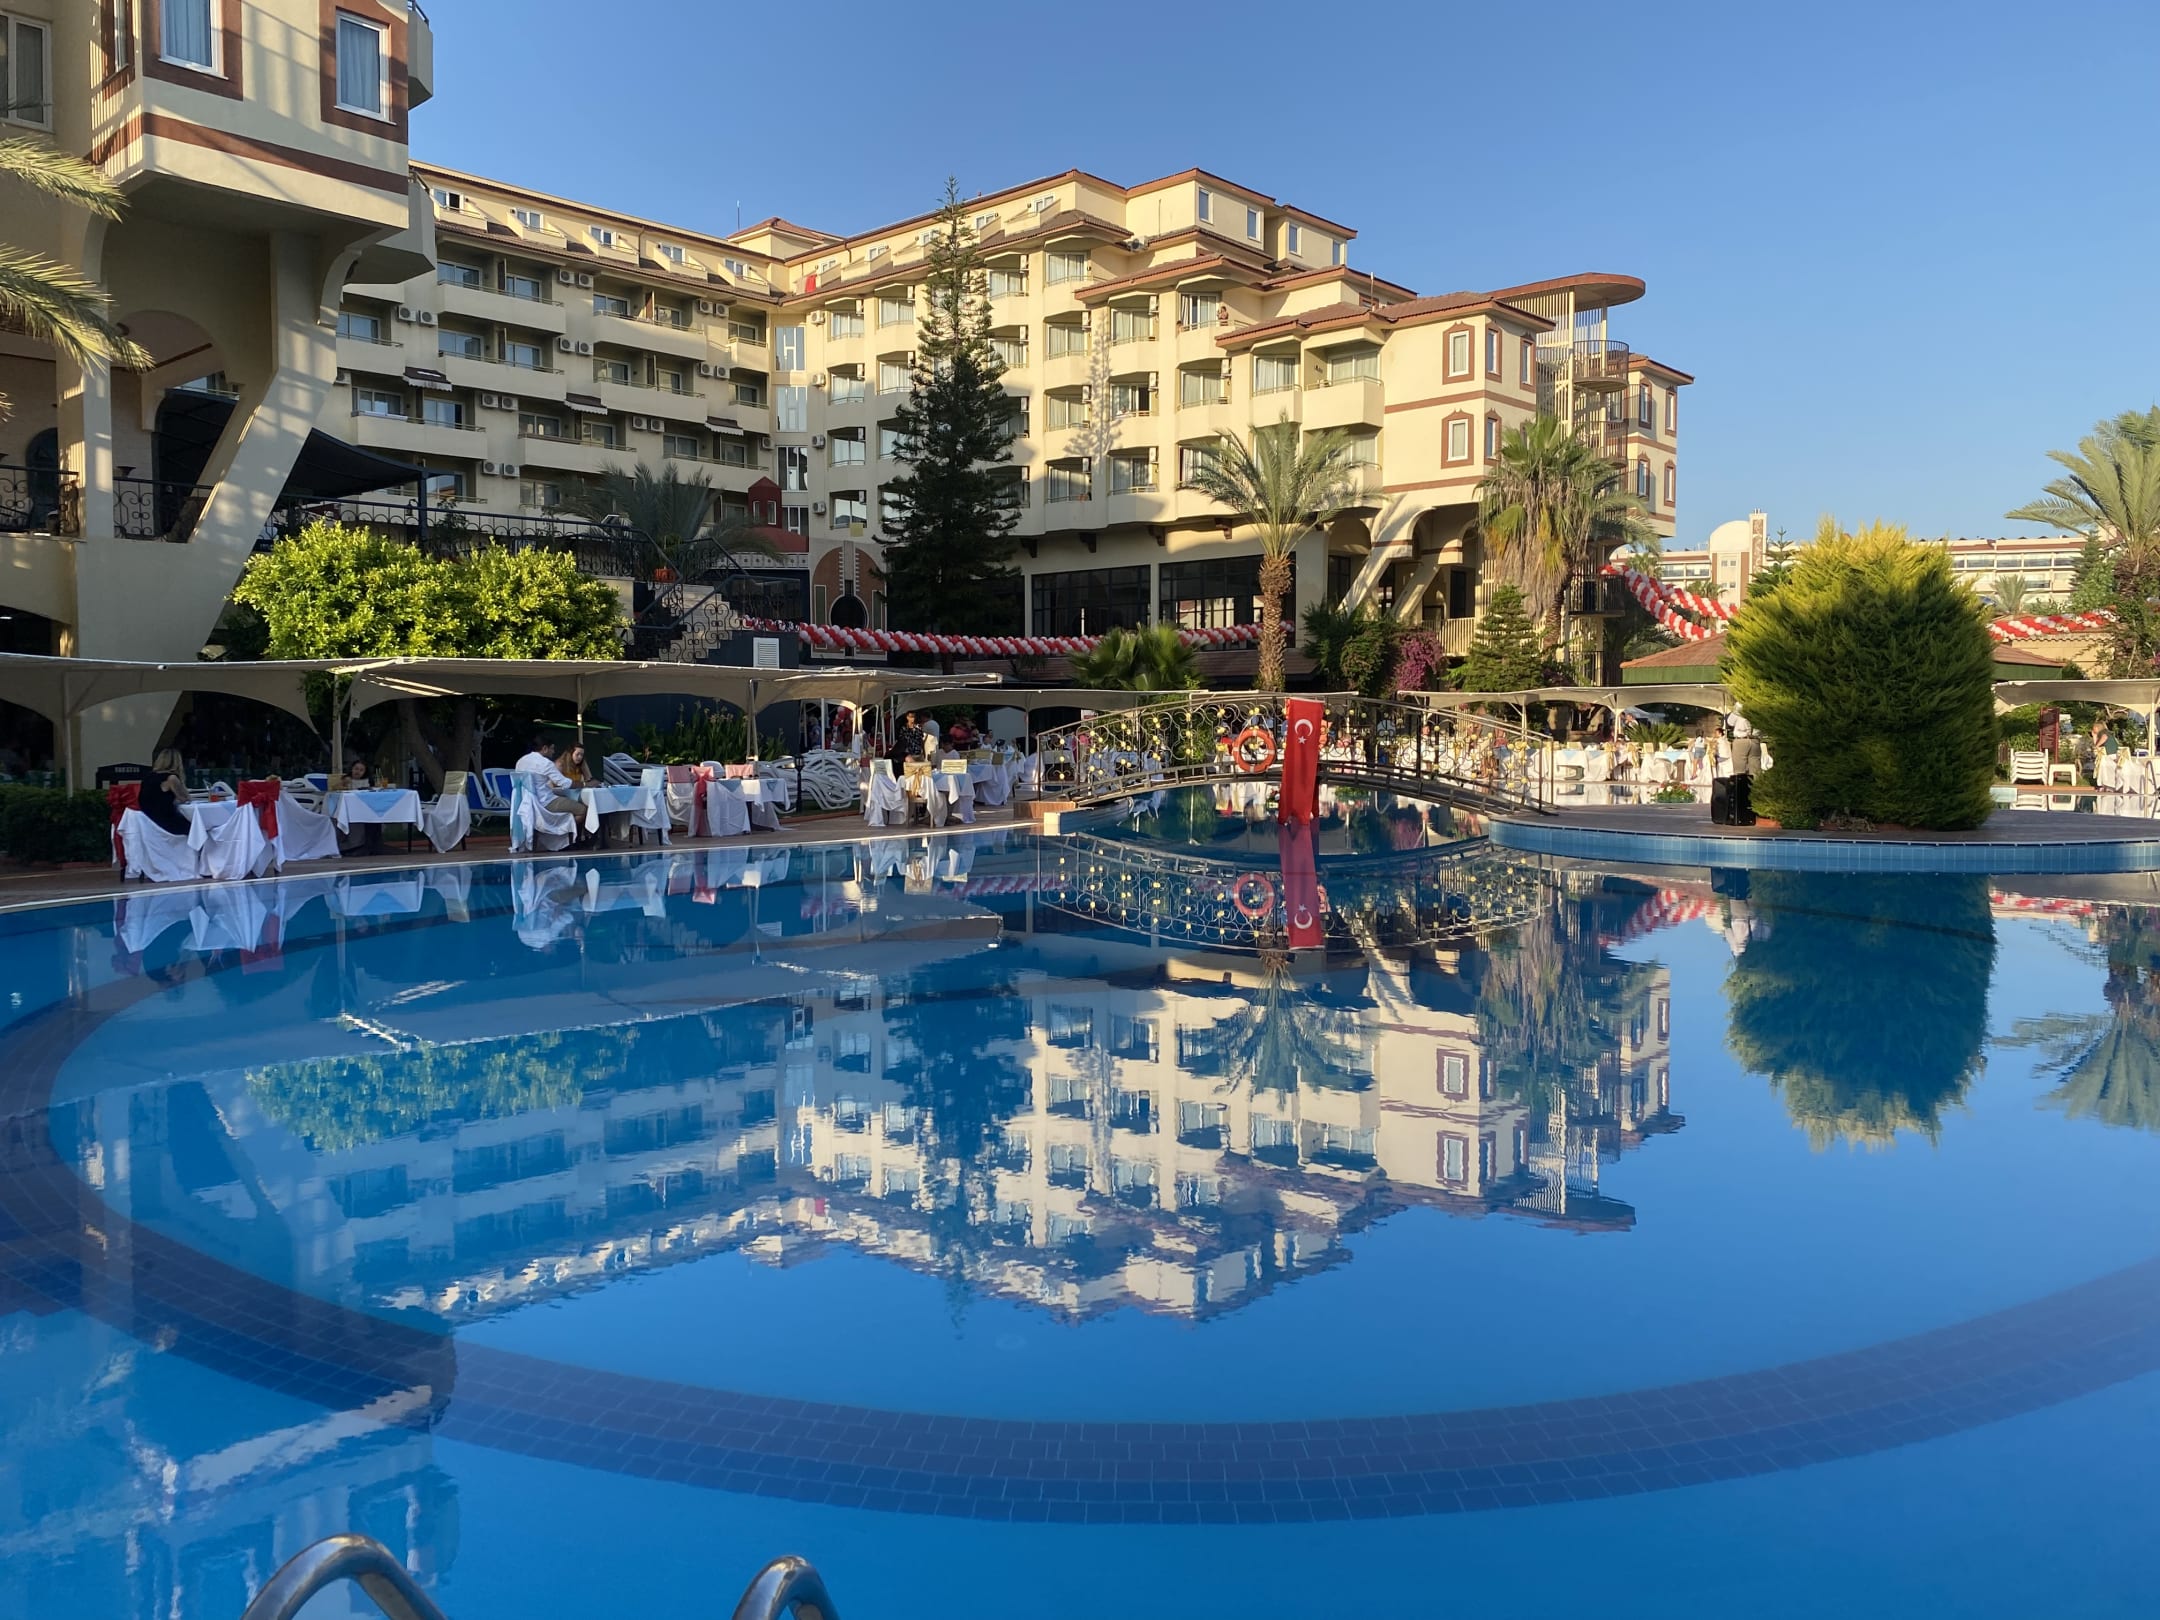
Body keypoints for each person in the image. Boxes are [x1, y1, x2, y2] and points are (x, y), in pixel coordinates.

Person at [138, 748, 192, 836]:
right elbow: (185, 798)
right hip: (166, 822)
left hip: (149, 822)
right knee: (200, 828)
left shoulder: (148, 777)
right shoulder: (171, 778)